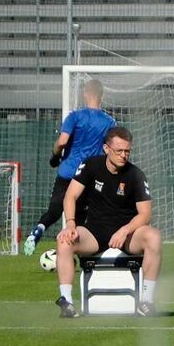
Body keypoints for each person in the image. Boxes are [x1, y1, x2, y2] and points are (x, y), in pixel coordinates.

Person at [54, 126, 160, 318]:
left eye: (127, 151)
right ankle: (67, 302)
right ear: (106, 148)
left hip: (128, 235)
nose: (123, 155)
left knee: (154, 236)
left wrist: (125, 230)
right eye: (119, 151)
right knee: (64, 240)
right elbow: (70, 196)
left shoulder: (136, 175)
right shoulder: (91, 165)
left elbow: (145, 215)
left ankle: (146, 302)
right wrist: (70, 223)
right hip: (95, 232)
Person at [22, 78, 116, 256]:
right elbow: (110, 149)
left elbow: (63, 141)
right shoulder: (109, 122)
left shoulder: (74, 116)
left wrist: (55, 155)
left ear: (85, 94)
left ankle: (37, 232)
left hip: (67, 172)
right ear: (101, 96)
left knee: (54, 210)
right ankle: (73, 254)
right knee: (79, 219)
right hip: (88, 176)